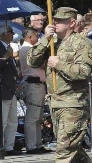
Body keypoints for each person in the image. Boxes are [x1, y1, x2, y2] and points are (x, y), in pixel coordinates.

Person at [27, 7, 92, 163]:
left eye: (60, 20)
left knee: (64, 151)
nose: (55, 23)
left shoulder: (82, 43)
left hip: (73, 104)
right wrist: (44, 39)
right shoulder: (52, 42)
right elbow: (32, 61)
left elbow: (84, 72)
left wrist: (59, 64)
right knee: (74, 152)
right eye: (54, 20)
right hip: (55, 103)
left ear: (71, 23)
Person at [19, 26, 49, 154]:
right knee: (32, 117)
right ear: (30, 37)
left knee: (38, 117)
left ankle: (37, 143)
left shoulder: (29, 48)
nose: (37, 38)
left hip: (38, 84)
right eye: (36, 36)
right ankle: (31, 145)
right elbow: (39, 64)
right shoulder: (27, 49)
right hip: (33, 83)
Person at [0, 28, 19, 156]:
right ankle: (1, 147)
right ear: (4, 33)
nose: (13, 34)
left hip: (11, 89)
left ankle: (9, 147)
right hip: (3, 89)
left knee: (13, 121)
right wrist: (6, 55)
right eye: (11, 32)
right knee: (3, 121)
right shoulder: (4, 49)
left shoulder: (8, 47)